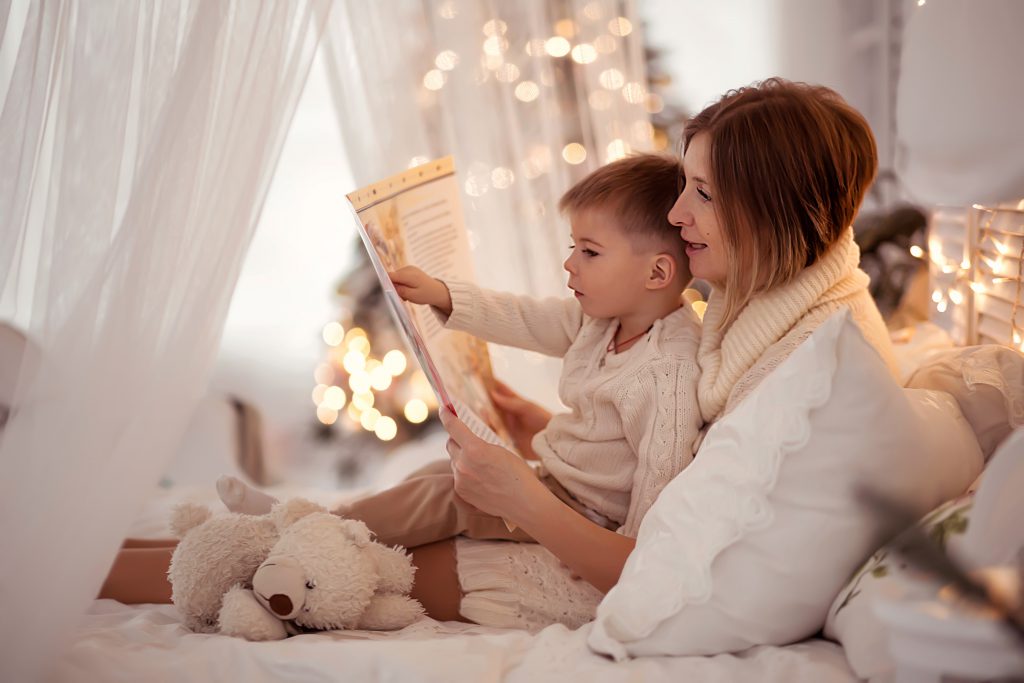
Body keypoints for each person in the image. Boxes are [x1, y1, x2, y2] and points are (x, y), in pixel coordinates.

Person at [100, 78, 899, 633]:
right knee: (381, 515)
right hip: (555, 512)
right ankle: (124, 555)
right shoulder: (732, 312)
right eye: (685, 184)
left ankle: (91, 572)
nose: (679, 212)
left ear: (770, 212)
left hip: (576, 562)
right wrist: (528, 411)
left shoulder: (795, 361)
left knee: (344, 554)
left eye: (704, 193)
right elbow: (598, 394)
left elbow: (653, 538)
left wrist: (523, 495)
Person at [218, 153, 702, 547]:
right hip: (555, 483)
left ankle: (297, 530)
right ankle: (321, 519)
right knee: (437, 472)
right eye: (573, 247)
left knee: (449, 499)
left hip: (582, 518)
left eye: (590, 252)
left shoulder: (668, 372)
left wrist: (599, 541)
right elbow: (523, 316)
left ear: (656, 274)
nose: (569, 264)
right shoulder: (599, 320)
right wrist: (442, 294)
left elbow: (655, 499)